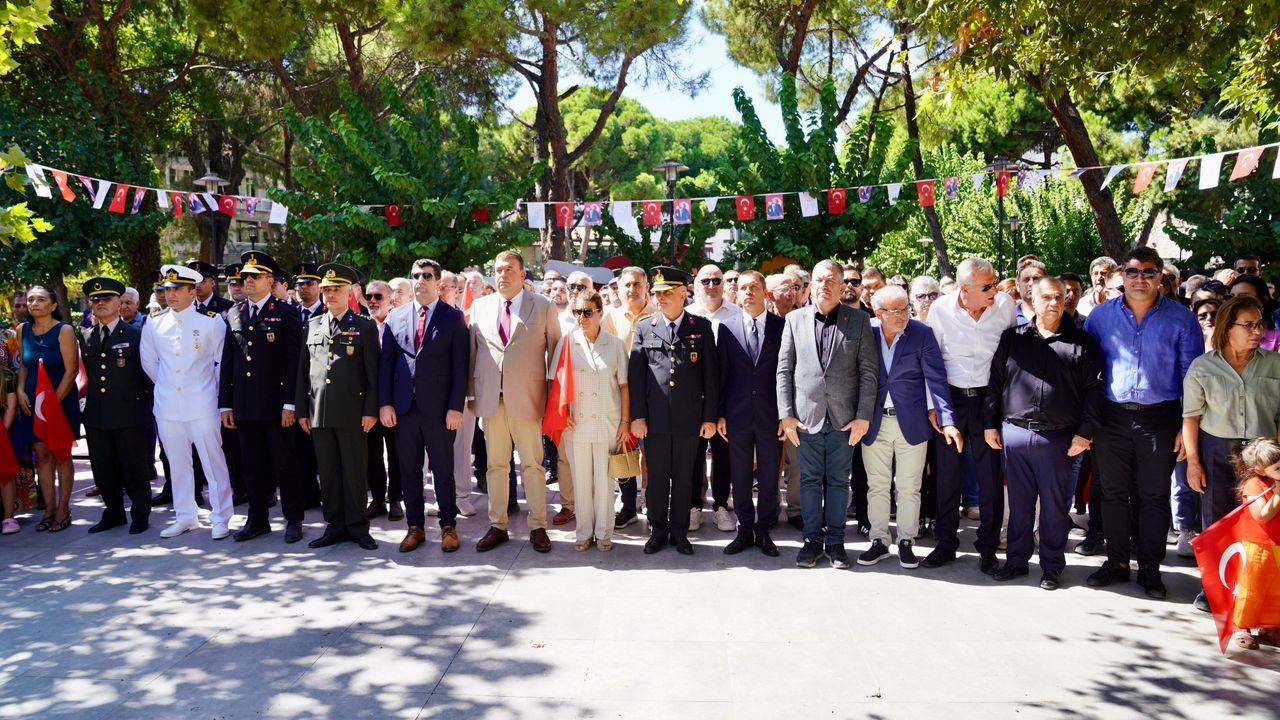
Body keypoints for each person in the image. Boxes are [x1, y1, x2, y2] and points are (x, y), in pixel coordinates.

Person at [1085, 247, 1203, 600]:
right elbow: (1087, 372)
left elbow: (1192, 376)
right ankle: (1117, 562)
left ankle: (1150, 567)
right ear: (1122, 275)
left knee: (1154, 495)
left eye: (1149, 272)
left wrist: (1185, 427)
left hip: (1160, 418)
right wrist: (1088, 424)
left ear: (1160, 277)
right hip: (1111, 416)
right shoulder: (1100, 317)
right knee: (1112, 493)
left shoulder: (1181, 319)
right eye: (1133, 272)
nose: (1140, 279)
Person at [984, 277, 1105, 590]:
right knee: (1019, 506)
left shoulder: (1083, 343)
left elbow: (1094, 391)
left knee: (1054, 508)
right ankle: (1016, 561)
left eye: (1059, 298)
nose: (1054, 303)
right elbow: (996, 381)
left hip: (1059, 439)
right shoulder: (1013, 339)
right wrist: (989, 423)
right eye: (1047, 297)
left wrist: (1085, 433)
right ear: (1032, 300)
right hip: (1015, 434)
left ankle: (1051, 566)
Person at [778, 260, 878, 569]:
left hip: (844, 420)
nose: (825, 285)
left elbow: (868, 372)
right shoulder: (794, 319)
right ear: (811, 286)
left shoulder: (859, 320)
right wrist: (786, 415)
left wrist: (863, 416)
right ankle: (811, 541)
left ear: (841, 285)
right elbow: (784, 370)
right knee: (808, 481)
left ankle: (835, 542)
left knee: (838, 482)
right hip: (805, 418)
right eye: (819, 279)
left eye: (831, 280)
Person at [1182, 294, 1280, 608]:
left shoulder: (1275, 364)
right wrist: (1193, 462)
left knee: (1259, 522)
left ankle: (1252, 592)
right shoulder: (1203, 367)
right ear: (1227, 328)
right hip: (1216, 449)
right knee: (1216, 520)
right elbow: (1191, 418)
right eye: (1248, 325)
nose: (1257, 331)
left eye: (1260, 324)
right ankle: (1213, 589)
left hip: (1262, 454)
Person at [923, 257, 1017, 573]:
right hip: (951, 399)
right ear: (964, 289)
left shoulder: (1004, 306)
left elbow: (1010, 356)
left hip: (989, 401)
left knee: (990, 478)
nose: (995, 290)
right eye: (987, 286)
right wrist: (934, 406)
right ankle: (945, 543)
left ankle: (988, 548)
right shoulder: (940, 310)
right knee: (947, 476)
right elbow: (932, 362)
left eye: (994, 283)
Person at [859, 285, 960, 569]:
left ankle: (906, 541)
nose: (903, 315)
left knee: (909, 487)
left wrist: (947, 419)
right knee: (877, 485)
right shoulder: (867, 331)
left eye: (905, 308)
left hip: (912, 423)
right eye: (895, 311)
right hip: (874, 421)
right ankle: (879, 540)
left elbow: (937, 379)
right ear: (878, 312)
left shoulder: (921, 332)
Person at [470, 250, 562, 553]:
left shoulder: (543, 306)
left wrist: (553, 399)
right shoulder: (480, 306)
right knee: (495, 465)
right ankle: (497, 525)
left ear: (522, 275)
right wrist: (471, 394)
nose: (503, 274)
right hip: (491, 400)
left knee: (533, 465)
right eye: (498, 269)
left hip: (528, 399)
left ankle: (538, 526)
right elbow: (473, 354)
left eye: (509, 269)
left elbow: (555, 354)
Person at [379, 259, 468, 554]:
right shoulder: (395, 316)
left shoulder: (453, 317)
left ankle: (448, 526)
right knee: (409, 470)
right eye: (416, 275)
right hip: (404, 408)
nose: (420, 280)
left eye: (427, 276)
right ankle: (414, 526)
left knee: (443, 470)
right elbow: (386, 364)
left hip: (440, 410)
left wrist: (455, 407)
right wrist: (385, 403)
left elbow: (460, 367)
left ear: (437, 282)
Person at [629, 266, 719, 555]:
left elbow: (710, 377)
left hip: (688, 419)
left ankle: (680, 531)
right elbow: (636, 377)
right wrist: (637, 416)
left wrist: (709, 417)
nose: (660, 298)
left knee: (684, 478)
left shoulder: (700, 327)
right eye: (657, 293)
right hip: (654, 420)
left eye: (667, 292)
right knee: (656, 478)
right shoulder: (645, 327)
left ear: (683, 293)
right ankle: (657, 530)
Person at [218, 252, 307, 544]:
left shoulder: (285, 312)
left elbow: (294, 362)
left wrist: (290, 404)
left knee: (285, 463)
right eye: (245, 277)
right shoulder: (234, 313)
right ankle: (257, 520)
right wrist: (225, 404)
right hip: (244, 403)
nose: (248, 281)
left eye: (254, 276)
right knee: (252, 465)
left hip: (276, 404)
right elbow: (228, 361)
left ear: (270, 280)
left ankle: (293, 518)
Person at [141, 265, 235, 539]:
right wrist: (170, 386)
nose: (170, 294)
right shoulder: (154, 322)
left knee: (213, 462)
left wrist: (212, 393)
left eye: (177, 289)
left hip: (202, 401)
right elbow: (149, 361)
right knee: (177, 464)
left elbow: (221, 362)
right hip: (168, 404)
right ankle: (185, 515)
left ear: (192, 291)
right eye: (167, 289)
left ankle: (221, 516)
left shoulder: (211, 321)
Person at [295, 263, 380, 551]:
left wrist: (370, 409)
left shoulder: (364, 326)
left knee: (354, 472)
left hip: (353, 412)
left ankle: (357, 526)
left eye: (336, 289)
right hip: (319, 411)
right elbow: (303, 371)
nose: (330, 295)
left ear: (349, 292)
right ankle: (334, 525)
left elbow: (372, 373)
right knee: (328, 473)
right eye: (326, 290)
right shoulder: (313, 325)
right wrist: (302, 410)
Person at [554, 289, 629, 551]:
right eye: (577, 312)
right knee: (581, 481)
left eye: (587, 312)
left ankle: (604, 532)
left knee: (605, 482)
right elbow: (556, 383)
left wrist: (625, 422)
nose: (582, 318)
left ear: (600, 313)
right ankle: (584, 532)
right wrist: (563, 414)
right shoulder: (566, 342)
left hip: (608, 421)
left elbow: (624, 386)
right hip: (576, 422)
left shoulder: (615, 345)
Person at [716, 270, 784, 557]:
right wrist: (720, 414)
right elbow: (722, 374)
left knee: (769, 477)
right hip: (737, 415)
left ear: (764, 291)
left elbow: (788, 373)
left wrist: (786, 414)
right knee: (740, 476)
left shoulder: (782, 326)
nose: (748, 292)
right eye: (743, 287)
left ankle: (763, 530)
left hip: (772, 415)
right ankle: (744, 529)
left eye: (754, 287)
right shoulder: (727, 328)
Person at [80, 277, 154, 535]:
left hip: (128, 412)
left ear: (118, 303)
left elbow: (148, 375)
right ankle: (113, 513)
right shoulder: (86, 336)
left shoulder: (135, 334)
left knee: (133, 466)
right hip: (97, 414)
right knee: (104, 468)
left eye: (106, 299)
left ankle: (140, 514)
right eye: (95, 300)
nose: (100, 303)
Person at [16, 285, 80, 533]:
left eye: (40, 299)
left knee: (61, 455)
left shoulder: (64, 330)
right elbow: (24, 366)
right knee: (41, 456)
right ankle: (49, 509)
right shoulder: (22, 330)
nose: (34, 303)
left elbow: (71, 370)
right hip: (32, 402)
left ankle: (63, 509)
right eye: (31, 299)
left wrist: (52, 403)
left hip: (60, 402)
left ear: (53, 305)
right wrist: (20, 390)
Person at [687, 263, 741, 533]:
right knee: (694, 455)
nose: (711, 286)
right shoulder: (686, 315)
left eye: (716, 281)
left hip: (727, 395)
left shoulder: (737, 315)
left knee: (723, 454)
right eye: (705, 281)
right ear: (696, 285)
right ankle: (694, 506)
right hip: (694, 397)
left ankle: (720, 505)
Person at [601, 266, 654, 530]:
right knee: (624, 450)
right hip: (621, 396)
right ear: (619, 288)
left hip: (654, 396)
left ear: (647, 287)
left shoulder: (658, 314)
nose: (632, 289)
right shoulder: (610, 318)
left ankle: (653, 503)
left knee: (652, 453)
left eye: (637, 284)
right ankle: (628, 505)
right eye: (627, 285)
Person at [1222, 438, 1280, 650]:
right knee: (1252, 588)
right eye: (1277, 468)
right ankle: (1241, 625)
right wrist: (1278, 493)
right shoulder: (1254, 485)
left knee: (1275, 588)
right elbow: (1262, 516)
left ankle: (1270, 626)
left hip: (1277, 544)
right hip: (1257, 545)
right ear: (1260, 470)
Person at [363, 280, 403, 521]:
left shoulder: (399, 324)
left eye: (378, 296)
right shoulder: (360, 325)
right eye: (368, 296)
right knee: (372, 454)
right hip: (368, 403)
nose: (372, 301)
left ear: (390, 299)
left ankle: (395, 498)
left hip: (395, 402)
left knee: (396, 453)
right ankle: (377, 499)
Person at [291, 261, 324, 509]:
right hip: (297, 387)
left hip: (322, 388)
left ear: (319, 287)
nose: (304, 288)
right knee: (301, 447)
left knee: (322, 448)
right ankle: (308, 494)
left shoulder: (328, 311)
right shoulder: (290, 312)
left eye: (309, 283)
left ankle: (329, 493)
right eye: (300, 284)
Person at [1013, 261, 1046, 325]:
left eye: (1036, 279)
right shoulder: (1008, 316)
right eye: (1026, 280)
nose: (1031, 283)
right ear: (1017, 286)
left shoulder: (1058, 316)